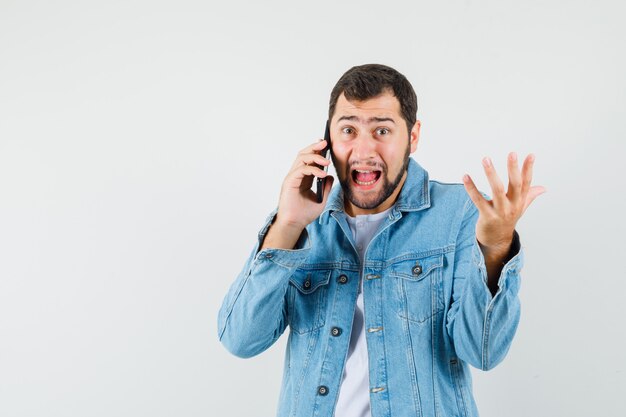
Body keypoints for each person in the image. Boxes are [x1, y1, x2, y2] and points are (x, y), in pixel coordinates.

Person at [217, 64, 545, 417]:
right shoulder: (302, 222)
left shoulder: (462, 215)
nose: (364, 149)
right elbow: (241, 340)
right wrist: (288, 224)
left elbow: (482, 351)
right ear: (327, 139)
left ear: (413, 136)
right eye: (348, 130)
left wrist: (495, 248)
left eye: (382, 130)